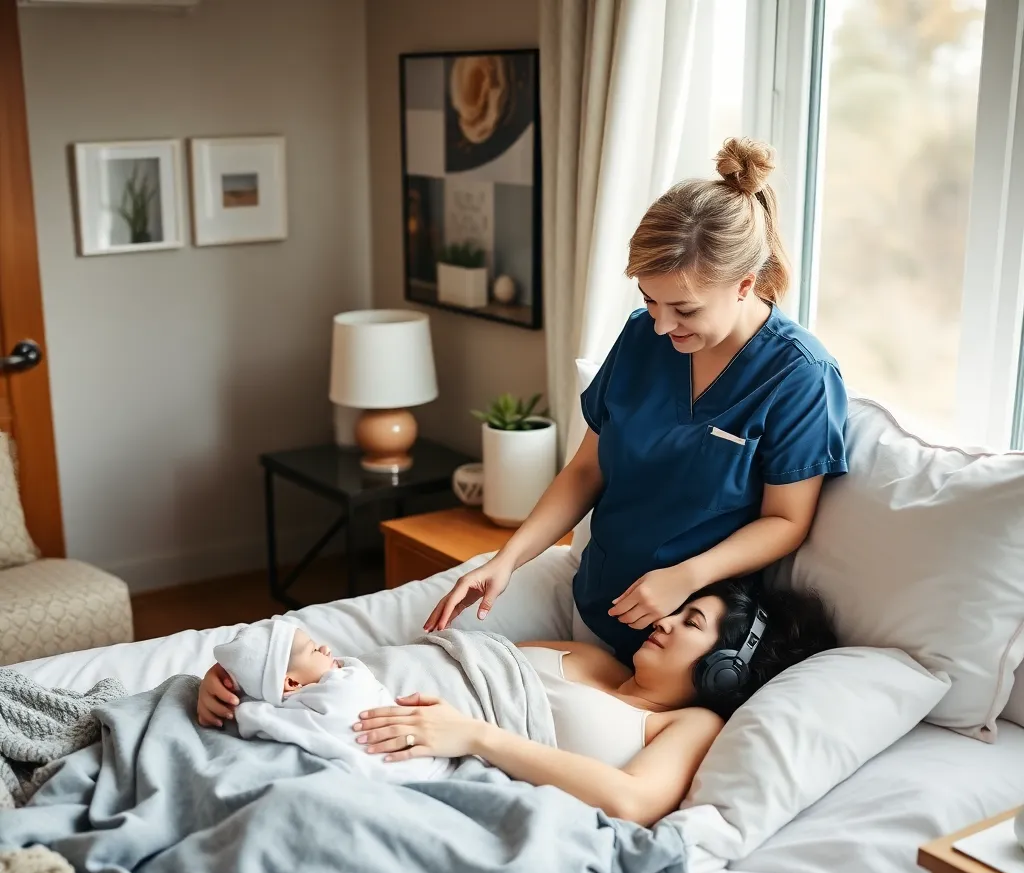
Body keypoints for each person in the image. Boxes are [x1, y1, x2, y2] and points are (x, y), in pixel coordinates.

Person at [424, 137, 848, 665]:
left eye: (685, 309)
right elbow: (585, 471)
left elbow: (786, 521)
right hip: (597, 602)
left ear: (743, 285)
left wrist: (685, 578)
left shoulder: (799, 376)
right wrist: (507, 560)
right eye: (649, 300)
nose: (663, 324)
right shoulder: (643, 336)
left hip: (686, 642)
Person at [196, 581, 836, 826]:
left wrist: (473, 737)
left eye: (690, 621)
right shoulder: (588, 657)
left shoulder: (687, 722)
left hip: (393, 750)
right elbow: (457, 661)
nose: (665, 621)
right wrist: (245, 675)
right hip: (321, 696)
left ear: (724, 670)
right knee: (187, 725)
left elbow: (630, 801)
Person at [211, 622, 451, 782]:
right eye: (314, 650)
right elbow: (357, 671)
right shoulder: (345, 682)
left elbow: (252, 716)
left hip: (402, 771)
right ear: (292, 684)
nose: (326, 648)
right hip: (416, 772)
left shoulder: (277, 711)